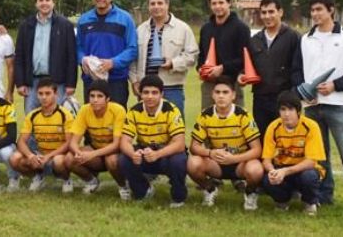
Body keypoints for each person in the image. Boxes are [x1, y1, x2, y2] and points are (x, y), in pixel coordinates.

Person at [292, 0, 343, 215]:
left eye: (319, 9)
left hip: (338, 105)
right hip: (312, 106)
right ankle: (325, 196)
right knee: (319, 155)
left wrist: (336, 85)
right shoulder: (305, 39)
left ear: (331, 10)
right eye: (313, 10)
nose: (315, 14)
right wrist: (304, 91)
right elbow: (296, 71)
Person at [186, 76, 263, 211]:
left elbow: (257, 150)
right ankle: (210, 189)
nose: (221, 96)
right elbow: (194, 147)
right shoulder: (205, 115)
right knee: (193, 163)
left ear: (233, 95)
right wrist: (210, 152)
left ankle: (250, 193)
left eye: (225, 92)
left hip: (240, 163)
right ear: (212, 95)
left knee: (256, 169)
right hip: (216, 163)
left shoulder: (243, 115)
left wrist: (234, 158)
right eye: (218, 92)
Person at [119, 75, 188, 208]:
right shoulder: (134, 111)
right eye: (146, 92)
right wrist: (133, 154)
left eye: (154, 92)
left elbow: (179, 144)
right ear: (140, 93)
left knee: (178, 161)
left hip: (166, 153)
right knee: (124, 159)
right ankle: (143, 191)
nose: (150, 96)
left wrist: (157, 154)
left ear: (162, 94)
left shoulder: (172, 110)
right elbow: (124, 142)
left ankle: (178, 197)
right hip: (145, 151)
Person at [130, 0, 198, 119]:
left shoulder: (182, 28)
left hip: (171, 88)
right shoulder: (140, 30)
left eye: (160, 3)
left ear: (167, 4)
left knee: (174, 129)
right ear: (148, 6)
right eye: (153, 3)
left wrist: (173, 63)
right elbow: (133, 59)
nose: (156, 7)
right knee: (146, 130)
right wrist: (134, 81)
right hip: (145, 89)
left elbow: (192, 56)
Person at [239, 0, 300, 136]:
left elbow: (299, 67)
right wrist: (241, 75)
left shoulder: (293, 37)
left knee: (285, 137)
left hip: (285, 97)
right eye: (263, 12)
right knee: (263, 136)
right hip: (260, 97)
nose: (267, 16)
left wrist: (293, 94)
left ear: (280, 12)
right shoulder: (255, 40)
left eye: (271, 12)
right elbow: (248, 65)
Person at [261, 90, 326, 216]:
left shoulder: (311, 126)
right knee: (267, 179)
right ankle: (282, 201)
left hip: (304, 169)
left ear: (298, 111)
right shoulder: (273, 127)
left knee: (309, 177)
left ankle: (310, 202)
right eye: (283, 109)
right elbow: (266, 160)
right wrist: (272, 171)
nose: (286, 114)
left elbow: (311, 162)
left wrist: (286, 171)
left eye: (290, 110)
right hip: (281, 169)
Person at [15, 0, 77, 113]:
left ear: (53, 3)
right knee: (32, 119)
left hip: (57, 82)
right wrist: (20, 83)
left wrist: (71, 84)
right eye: (41, 0)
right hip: (32, 83)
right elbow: (20, 56)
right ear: (36, 3)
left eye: (47, 0)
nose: (44, 3)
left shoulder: (65, 25)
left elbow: (71, 57)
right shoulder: (26, 26)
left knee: (57, 119)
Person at [76, 0, 138, 108]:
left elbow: (132, 49)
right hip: (91, 81)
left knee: (116, 121)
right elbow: (77, 47)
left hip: (116, 80)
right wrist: (83, 59)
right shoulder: (83, 20)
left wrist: (113, 62)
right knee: (92, 122)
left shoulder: (125, 19)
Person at [9, 78, 75, 193]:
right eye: (40, 94)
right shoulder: (33, 115)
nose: (43, 97)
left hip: (58, 156)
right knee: (14, 158)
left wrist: (49, 156)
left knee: (59, 161)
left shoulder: (65, 115)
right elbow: (21, 141)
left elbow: (69, 143)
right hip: (40, 156)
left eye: (48, 93)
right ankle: (37, 177)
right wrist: (30, 156)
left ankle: (66, 179)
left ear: (56, 94)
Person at [65, 80, 127, 197]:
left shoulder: (118, 110)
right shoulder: (84, 110)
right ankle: (91, 181)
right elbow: (73, 142)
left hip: (114, 152)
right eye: (92, 96)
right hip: (96, 151)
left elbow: (116, 144)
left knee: (112, 160)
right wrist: (78, 153)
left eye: (100, 96)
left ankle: (123, 186)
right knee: (69, 158)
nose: (95, 99)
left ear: (108, 99)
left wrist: (92, 155)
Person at [197, 0, 250, 109]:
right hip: (210, 83)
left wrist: (223, 68)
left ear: (229, 3)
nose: (217, 6)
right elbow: (202, 55)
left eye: (221, 3)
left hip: (232, 83)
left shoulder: (241, 28)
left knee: (235, 120)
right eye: (214, 3)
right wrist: (200, 69)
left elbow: (245, 58)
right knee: (208, 118)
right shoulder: (206, 28)